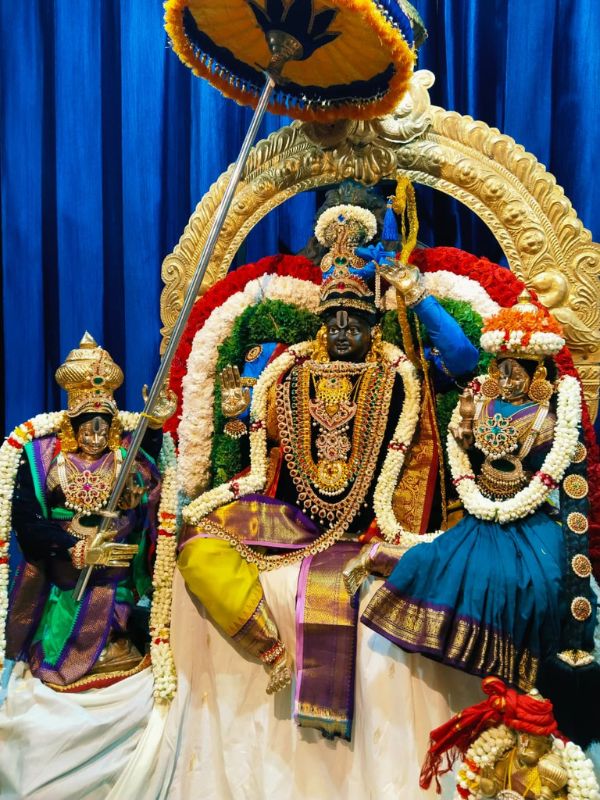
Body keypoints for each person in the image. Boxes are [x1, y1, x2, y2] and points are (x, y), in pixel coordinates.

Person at [177, 203, 479, 739]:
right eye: (332, 319)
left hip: (372, 528)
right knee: (198, 542)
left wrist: (412, 290)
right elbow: (250, 434)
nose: (341, 329)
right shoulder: (287, 372)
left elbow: (462, 358)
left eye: (354, 320)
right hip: (294, 520)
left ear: (374, 325)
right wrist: (240, 409)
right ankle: (268, 646)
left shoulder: (400, 374)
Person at [346, 292, 598, 731]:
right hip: (480, 511)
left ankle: (527, 689)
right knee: (434, 561)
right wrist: (465, 432)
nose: (508, 378)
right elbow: (463, 449)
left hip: (533, 516)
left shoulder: (556, 410)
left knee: (541, 585)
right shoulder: (480, 398)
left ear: (538, 372)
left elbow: (569, 482)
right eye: (502, 368)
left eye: (517, 370)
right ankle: (382, 559)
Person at [6, 333, 173, 690]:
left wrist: (155, 428)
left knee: (114, 595)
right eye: (87, 429)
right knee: (64, 623)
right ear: (72, 426)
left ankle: (115, 638)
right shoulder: (43, 456)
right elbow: (28, 522)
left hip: (116, 572)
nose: (96, 438)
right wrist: (76, 550)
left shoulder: (124, 454)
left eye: (102, 429)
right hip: (64, 571)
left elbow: (148, 469)